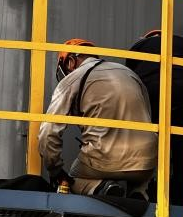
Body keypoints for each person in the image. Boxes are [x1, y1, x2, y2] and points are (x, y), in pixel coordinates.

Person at [38, 38, 158, 199]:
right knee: (142, 168)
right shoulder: (130, 74)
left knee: (73, 178)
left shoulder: (73, 78)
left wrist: (55, 170)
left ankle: (101, 188)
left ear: (71, 61)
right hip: (146, 161)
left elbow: (48, 132)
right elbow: (149, 118)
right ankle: (140, 192)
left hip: (104, 160)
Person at [126, 30, 183, 206]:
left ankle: (142, 191)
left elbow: (129, 74)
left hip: (152, 91)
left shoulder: (139, 46)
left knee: (145, 141)